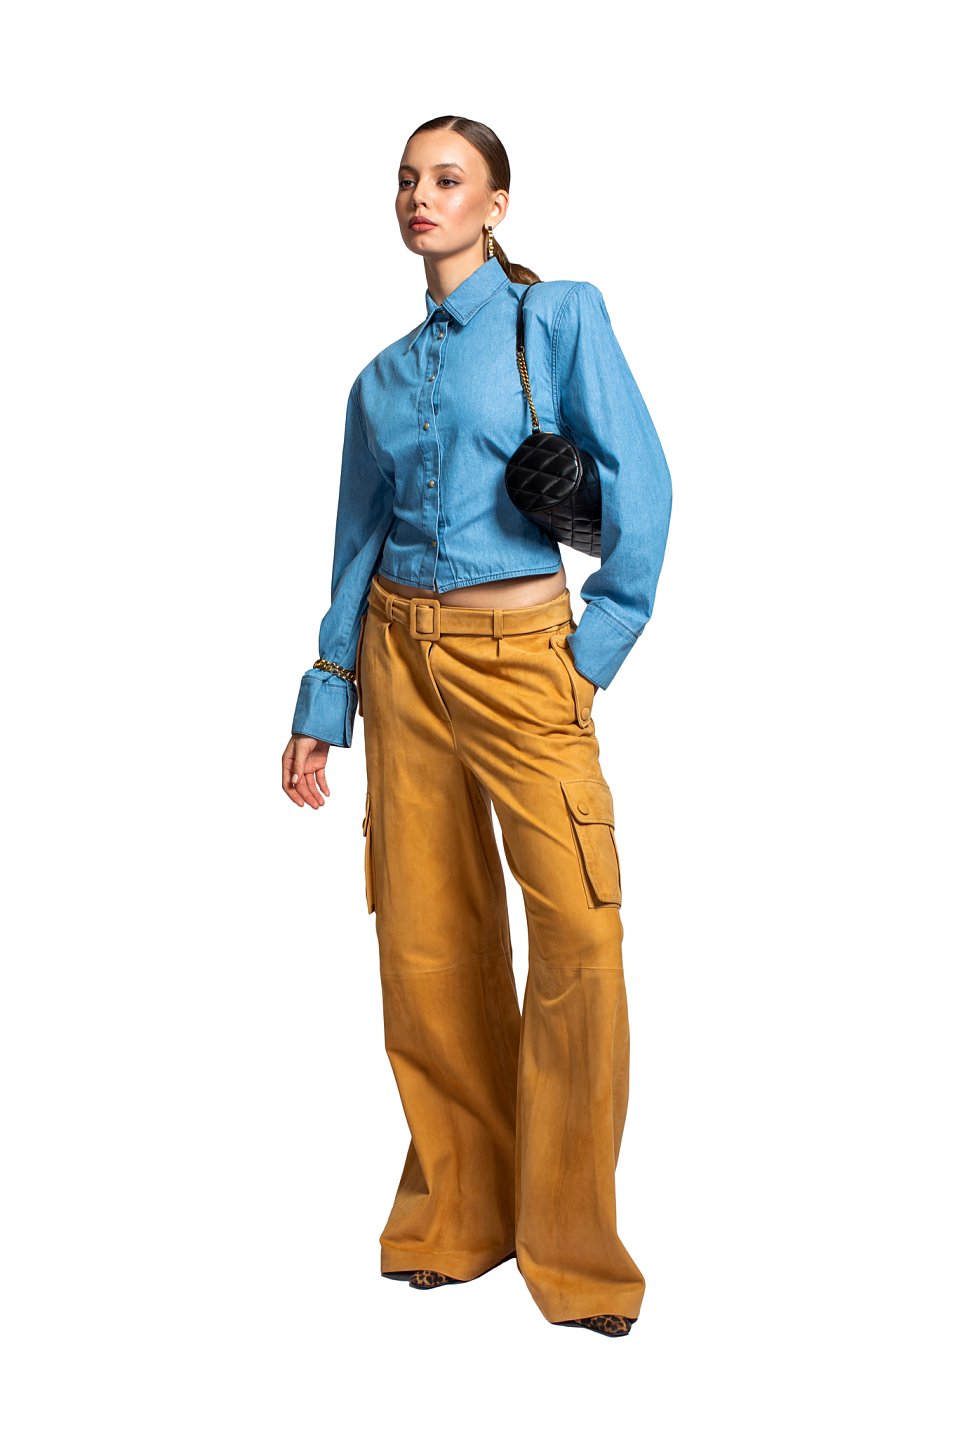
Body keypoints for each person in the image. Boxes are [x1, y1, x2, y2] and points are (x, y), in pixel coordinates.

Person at [281, 115, 672, 1338]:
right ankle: (457, 1216)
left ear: (497, 203)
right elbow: (354, 545)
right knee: (428, 945)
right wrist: (324, 700)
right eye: (408, 179)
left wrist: (592, 650)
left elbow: (643, 485)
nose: (422, 196)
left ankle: (577, 1254)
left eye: (448, 179)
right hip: (399, 662)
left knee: (580, 938)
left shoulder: (559, 320)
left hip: (526, 661)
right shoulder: (379, 380)